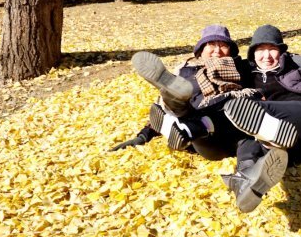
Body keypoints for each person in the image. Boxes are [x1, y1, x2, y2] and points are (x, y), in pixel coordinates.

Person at [220, 24, 301, 213]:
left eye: (272, 49)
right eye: (260, 50)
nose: (266, 56)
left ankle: (264, 121)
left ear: (281, 51)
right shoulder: (245, 73)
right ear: (252, 53)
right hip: (282, 147)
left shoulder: (297, 69)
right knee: (246, 141)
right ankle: (245, 179)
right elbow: (220, 64)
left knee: (258, 109)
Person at [111, 24, 259, 160]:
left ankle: (188, 119)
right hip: (197, 140)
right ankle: (185, 117)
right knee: (180, 105)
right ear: (201, 50)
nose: (217, 50)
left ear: (231, 50)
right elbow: (161, 111)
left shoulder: (242, 67)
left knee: (230, 102)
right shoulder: (187, 71)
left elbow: (264, 87)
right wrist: (143, 136)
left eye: (223, 45)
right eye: (211, 45)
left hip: (227, 136)